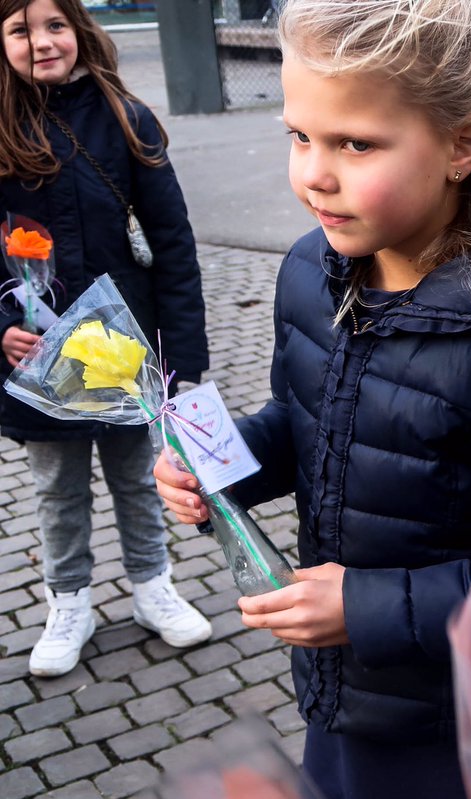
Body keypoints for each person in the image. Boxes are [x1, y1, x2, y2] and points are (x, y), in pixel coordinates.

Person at [153, 0, 471, 796]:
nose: (315, 173)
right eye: (299, 135)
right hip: (346, 697)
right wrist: (219, 464)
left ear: (462, 146)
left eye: (356, 143)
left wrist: (367, 605)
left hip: (470, 729)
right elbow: (303, 423)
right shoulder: (309, 275)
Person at [0, 0, 212, 677]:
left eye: (55, 25)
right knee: (58, 489)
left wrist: (182, 353)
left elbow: (172, 239)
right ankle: (69, 602)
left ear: (79, 30)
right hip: (38, 352)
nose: (42, 41)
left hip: (124, 343)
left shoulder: (126, 117)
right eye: (20, 29)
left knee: (137, 477)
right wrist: (0, 330)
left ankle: (153, 585)